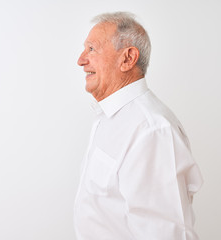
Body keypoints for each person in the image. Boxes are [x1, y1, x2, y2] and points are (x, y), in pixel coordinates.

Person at [74, 12, 203, 240]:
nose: (81, 60)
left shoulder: (152, 131)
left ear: (127, 58)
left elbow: (167, 234)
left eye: (92, 49)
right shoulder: (108, 117)